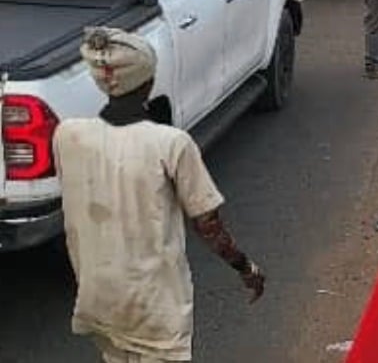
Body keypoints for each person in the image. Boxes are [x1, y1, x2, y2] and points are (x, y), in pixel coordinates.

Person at [53, 28, 265, 363]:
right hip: (153, 305)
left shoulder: (68, 135)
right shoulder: (171, 143)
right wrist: (245, 267)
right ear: (148, 83)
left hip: (98, 297)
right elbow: (209, 227)